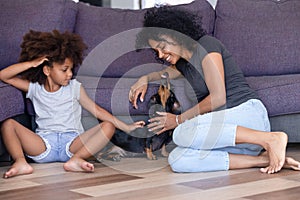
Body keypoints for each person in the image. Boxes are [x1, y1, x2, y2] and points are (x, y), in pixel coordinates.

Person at [129, 7, 300, 174]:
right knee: (178, 159)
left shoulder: (206, 45)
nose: (160, 55)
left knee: (181, 132)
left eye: (161, 46)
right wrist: (145, 78)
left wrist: (179, 119)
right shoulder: (183, 64)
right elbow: (162, 74)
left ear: (175, 34)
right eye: (156, 51)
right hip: (230, 137)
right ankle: (264, 160)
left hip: (247, 116)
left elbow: (218, 97)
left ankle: (270, 139)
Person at [0, 30, 145, 179]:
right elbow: (3, 76)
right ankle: (20, 162)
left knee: (108, 126)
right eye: (64, 70)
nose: (69, 74)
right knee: (8, 124)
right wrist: (31, 63)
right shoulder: (35, 88)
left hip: (72, 144)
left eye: (71, 69)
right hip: (44, 144)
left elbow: (98, 111)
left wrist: (127, 127)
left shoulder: (75, 87)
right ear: (47, 70)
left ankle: (77, 159)